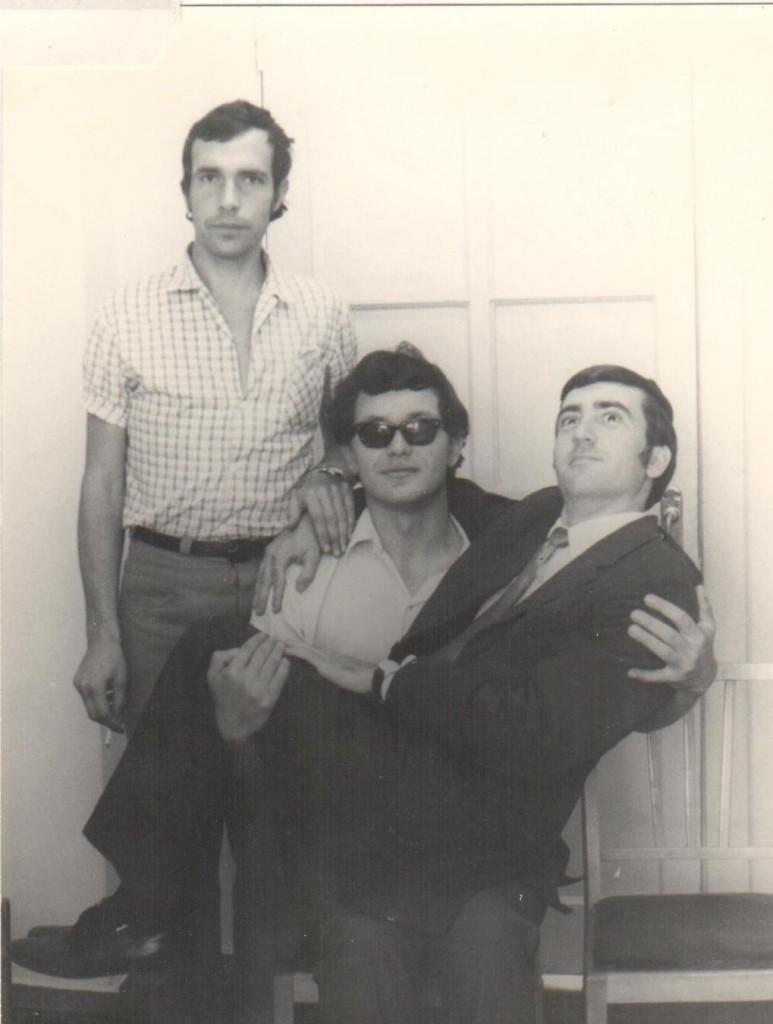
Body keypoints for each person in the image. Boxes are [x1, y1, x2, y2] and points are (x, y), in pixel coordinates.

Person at [13, 353, 715, 1024]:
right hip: (405, 777)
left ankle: (145, 908)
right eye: (569, 418)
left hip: (462, 801)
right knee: (221, 658)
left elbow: (546, 726)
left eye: (611, 418)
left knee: (212, 645)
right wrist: (328, 500)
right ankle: (150, 909)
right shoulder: (536, 519)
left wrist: (385, 679)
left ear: (656, 460)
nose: (583, 432)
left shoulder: (652, 580)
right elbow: (420, 480)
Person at [75, 99, 357, 733]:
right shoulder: (124, 316)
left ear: (279, 194)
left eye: (250, 179)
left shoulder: (324, 313)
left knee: (288, 779)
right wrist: (102, 636)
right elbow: (102, 484)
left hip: (287, 582)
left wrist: (328, 475)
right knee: (164, 784)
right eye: (210, 178)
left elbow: (349, 445)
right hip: (161, 590)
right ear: (187, 191)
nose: (229, 200)